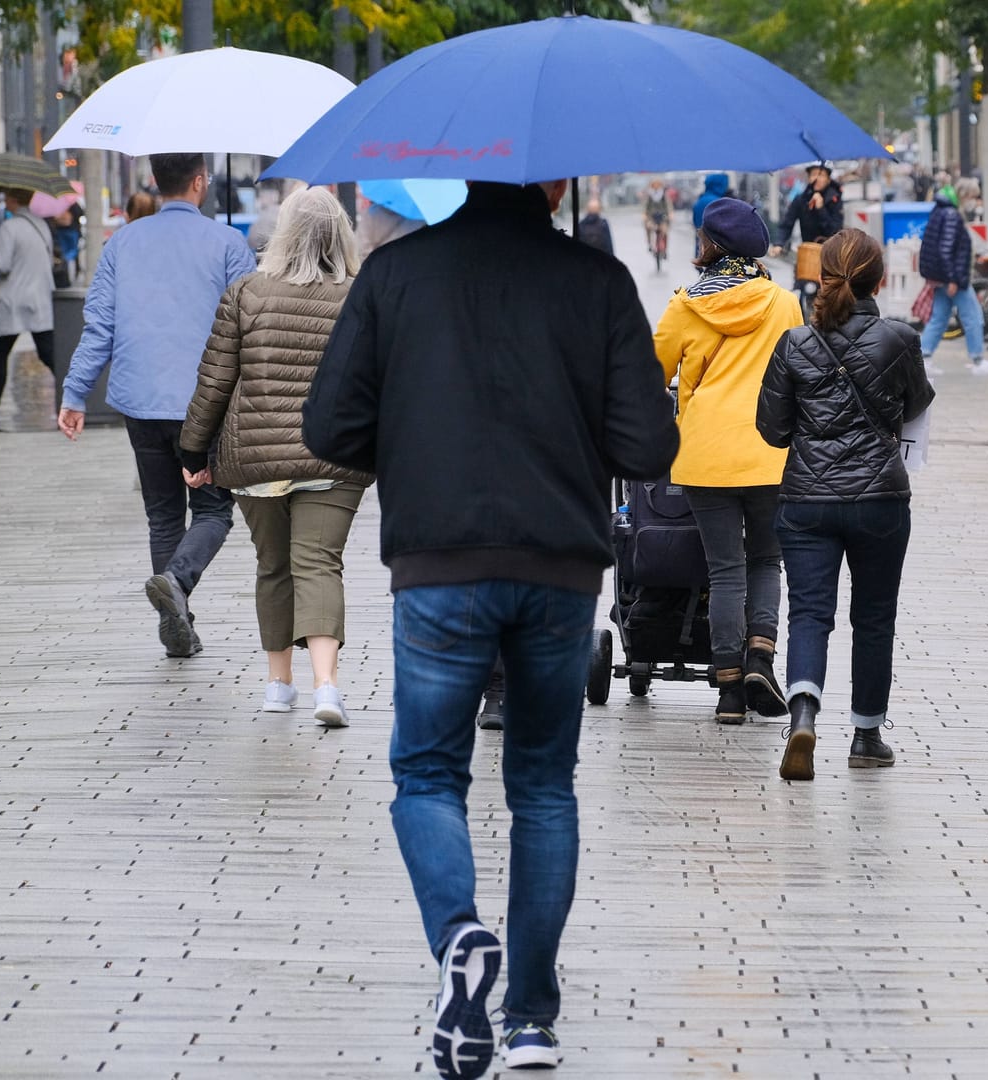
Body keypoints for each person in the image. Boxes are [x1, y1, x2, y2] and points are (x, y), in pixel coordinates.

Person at [302, 179, 678, 1079]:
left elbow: (328, 426)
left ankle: (460, 936)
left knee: (428, 773)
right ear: (554, 185)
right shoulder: (597, 282)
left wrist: (412, 436)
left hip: (437, 564)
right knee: (544, 789)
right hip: (559, 570)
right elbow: (647, 450)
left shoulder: (395, 276)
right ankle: (532, 1023)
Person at [178, 188, 372, 727]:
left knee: (274, 566)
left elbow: (216, 380)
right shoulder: (361, 296)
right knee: (319, 562)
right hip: (335, 458)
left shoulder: (246, 292)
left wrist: (194, 447)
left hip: (258, 456)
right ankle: (327, 687)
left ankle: (278, 685)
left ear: (283, 233)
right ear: (342, 233)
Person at [60, 153, 257, 659]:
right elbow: (250, 329)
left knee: (162, 515)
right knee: (213, 510)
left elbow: (99, 323)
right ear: (199, 182)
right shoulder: (228, 243)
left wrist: (75, 392)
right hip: (205, 403)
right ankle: (177, 581)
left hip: (141, 399)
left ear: (155, 181)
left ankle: (179, 622)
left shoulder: (122, 243)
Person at [756, 228, 934, 782]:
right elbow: (918, 403)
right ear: (879, 280)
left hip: (806, 500)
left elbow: (771, 430)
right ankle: (866, 735)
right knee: (874, 618)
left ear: (822, 276)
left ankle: (804, 714)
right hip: (880, 499)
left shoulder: (794, 344)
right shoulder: (899, 339)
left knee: (809, 614)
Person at [654, 197, 802, 723]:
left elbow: (650, 372)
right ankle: (761, 655)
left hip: (706, 457)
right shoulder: (784, 304)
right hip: (771, 454)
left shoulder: (684, 305)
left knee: (725, 572)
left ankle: (728, 693)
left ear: (711, 246)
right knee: (766, 561)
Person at [0, 189, 57, 421]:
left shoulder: (10, 227)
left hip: (14, 300)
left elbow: (2, 264)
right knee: (50, 355)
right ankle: (77, 397)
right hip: (40, 298)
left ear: (14, 200)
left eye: (7, 199)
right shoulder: (41, 225)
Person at [918, 179, 988, 376]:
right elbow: (946, 250)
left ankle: (922, 358)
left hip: (942, 277)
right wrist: (953, 279)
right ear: (964, 196)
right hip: (954, 278)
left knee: (939, 317)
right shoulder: (952, 215)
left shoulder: (941, 211)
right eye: (974, 197)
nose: (976, 201)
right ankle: (978, 359)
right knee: (972, 316)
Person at [768, 163, 843, 257]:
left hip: (830, 254)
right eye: (813, 174)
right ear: (809, 178)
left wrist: (821, 208)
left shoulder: (834, 200)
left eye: (821, 175)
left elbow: (835, 230)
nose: (817, 178)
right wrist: (779, 243)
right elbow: (787, 224)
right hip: (808, 254)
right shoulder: (801, 200)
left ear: (828, 180)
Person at [643, 179, 672, 257]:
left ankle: (665, 249)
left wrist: (670, 214)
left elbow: (668, 205)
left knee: (665, 231)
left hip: (663, 217)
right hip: (651, 217)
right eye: (654, 184)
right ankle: (650, 244)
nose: (656, 186)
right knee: (648, 227)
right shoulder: (649, 195)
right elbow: (645, 206)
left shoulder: (663, 195)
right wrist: (645, 215)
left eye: (657, 184)